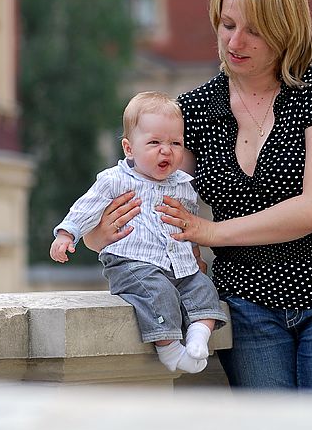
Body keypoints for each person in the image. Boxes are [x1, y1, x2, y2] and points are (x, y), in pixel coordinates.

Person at [84, 0, 312, 393]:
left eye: (255, 30)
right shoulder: (193, 110)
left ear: (286, 29)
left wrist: (208, 232)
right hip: (246, 303)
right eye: (227, 25)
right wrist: (97, 235)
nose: (235, 41)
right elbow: (155, 197)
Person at [50, 91, 228, 375]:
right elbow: (86, 208)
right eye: (155, 142)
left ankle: (198, 336)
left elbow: (188, 223)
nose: (166, 150)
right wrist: (67, 235)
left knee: (204, 288)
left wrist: (194, 252)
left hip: (178, 264)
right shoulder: (115, 180)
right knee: (156, 293)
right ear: (129, 148)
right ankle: (169, 349)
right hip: (132, 262)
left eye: (175, 143)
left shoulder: (184, 184)